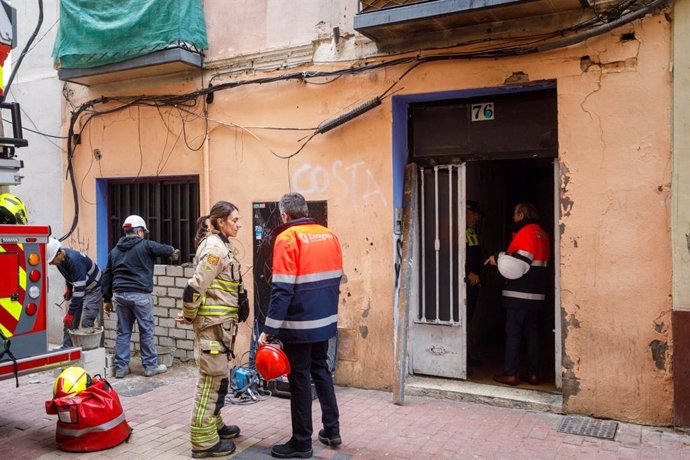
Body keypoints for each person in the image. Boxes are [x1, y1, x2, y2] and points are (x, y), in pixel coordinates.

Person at [258, 192, 343, 459]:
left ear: (285, 214)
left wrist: (269, 328)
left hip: (299, 323)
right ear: (305, 210)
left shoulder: (287, 238)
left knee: (299, 378)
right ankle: (332, 430)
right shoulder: (329, 235)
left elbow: (282, 288)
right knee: (321, 370)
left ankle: (301, 442)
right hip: (325, 320)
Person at [176, 202, 244, 459]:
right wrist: (189, 315)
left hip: (221, 328)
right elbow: (194, 288)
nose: (238, 224)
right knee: (209, 382)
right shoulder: (215, 249)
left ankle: (214, 426)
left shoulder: (222, 245)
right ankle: (203, 441)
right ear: (219, 222)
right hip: (211, 329)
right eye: (234, 220)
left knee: (220, 379)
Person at [102, 214, 180, 379]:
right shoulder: (145, 245)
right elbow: (164, 249)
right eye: (143, 232)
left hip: (121, 296)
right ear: (138, 232)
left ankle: (121, 368)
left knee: (123, 332)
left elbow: (107, 274)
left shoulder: (114, 251)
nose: (143, 234)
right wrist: (173, 251)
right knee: (146, 331)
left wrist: (107, 299)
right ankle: (150, 366)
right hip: (140, 296)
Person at [485, 202, 550, 386]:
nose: (513, 218)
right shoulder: (542, 234)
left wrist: (498, 257)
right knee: (532, 333)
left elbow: (520, 261)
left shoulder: (526, 232)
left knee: (513, 332)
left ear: (521, 215)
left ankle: (511, 374)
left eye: (515, 215)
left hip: (519, 294)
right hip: (536, 295)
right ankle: (533, 374)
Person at [46, 237, 104, 348]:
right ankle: (66, 350)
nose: (51, 264)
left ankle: (89, 353)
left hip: (94, 289)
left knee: (86, 321)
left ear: (59, 254)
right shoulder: (60, 262)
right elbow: (69, 276)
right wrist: (68, 288)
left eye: (52, 260)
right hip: (81, 288)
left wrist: (70, 313)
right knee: (69, 323)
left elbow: (79, 291)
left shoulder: (75, 261)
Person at [465, 200, 483, 367]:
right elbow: (452, 256)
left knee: (469, 319)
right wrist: (467, 273)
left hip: (473, 284)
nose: (477, 218)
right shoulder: (457, 231)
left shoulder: (472, 231)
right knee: (463, 319)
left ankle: (468, 355)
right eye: (475, 214)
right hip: (462, 284)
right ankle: (463, 358)